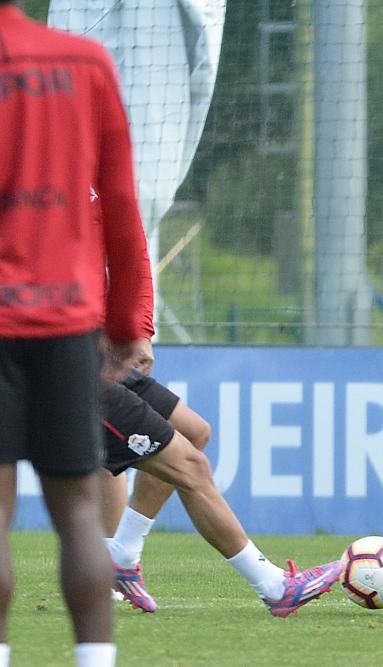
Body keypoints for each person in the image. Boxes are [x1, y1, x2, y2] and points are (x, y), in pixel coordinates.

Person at [0, 2, 153, 665]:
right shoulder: (85, 62)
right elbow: (119, 204)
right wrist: (123, 325)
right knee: (81, 517)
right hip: (66, 324)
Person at [98, 365, 343, 617]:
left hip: (108, 363)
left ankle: (122, 556)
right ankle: (275, 587)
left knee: (191, 432)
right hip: (78, 369)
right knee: (192, 467)